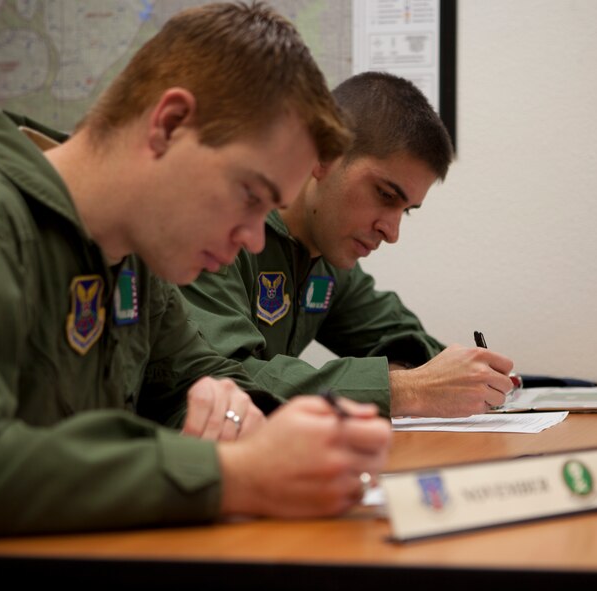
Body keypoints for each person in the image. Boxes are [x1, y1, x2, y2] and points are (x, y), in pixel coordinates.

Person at [0, 2, 391, 540]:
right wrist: (236, 476)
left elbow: (193, 385)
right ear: (169, 125)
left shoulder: (134, 261)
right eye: (249, 195)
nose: (254, 237)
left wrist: (246, 417)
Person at [180, 71, 515, 419]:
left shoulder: (326, 261)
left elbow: (396, 333)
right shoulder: (218, 237)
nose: (392, 232)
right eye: (385, 195)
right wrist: (405, 389)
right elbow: (223, 379)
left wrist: (420, 374)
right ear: (323, 154)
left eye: (407, 211)